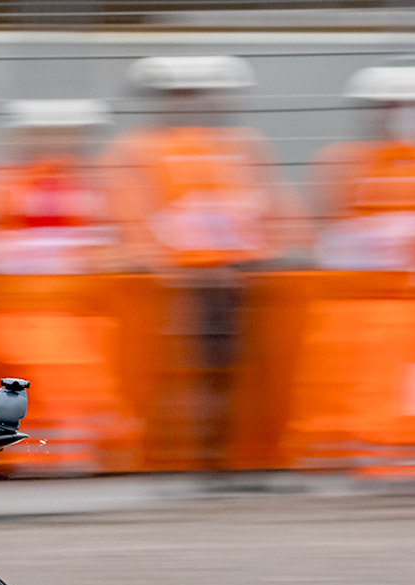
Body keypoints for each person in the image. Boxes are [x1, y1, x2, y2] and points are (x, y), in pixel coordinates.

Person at [101, 55, 306, 470]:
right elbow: (129, 215)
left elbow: (272, 206)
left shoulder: (241, 146)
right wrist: (168, 266)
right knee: (182, 374)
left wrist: (263, 256)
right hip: (176, 284)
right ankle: (184, 456)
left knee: (230, 375)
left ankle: (220, 456)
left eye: (197, 93)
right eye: (179, 94)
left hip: (234, 281)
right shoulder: (137, 149)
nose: (190, 103)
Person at [291, 65, 415, 480]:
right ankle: (384, 453)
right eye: (391, 105)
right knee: (370, 383)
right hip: (372, 302)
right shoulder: (343, 162)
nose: (403, 115)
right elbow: (328, 226)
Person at [0, 99, 137, 474]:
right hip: (15, 312)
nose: (55, 144)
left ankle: (70, 450)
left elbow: (126, 242)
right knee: (33, 382)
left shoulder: (101, 186)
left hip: (80, 315)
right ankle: (41, 453)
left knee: (80, 380)